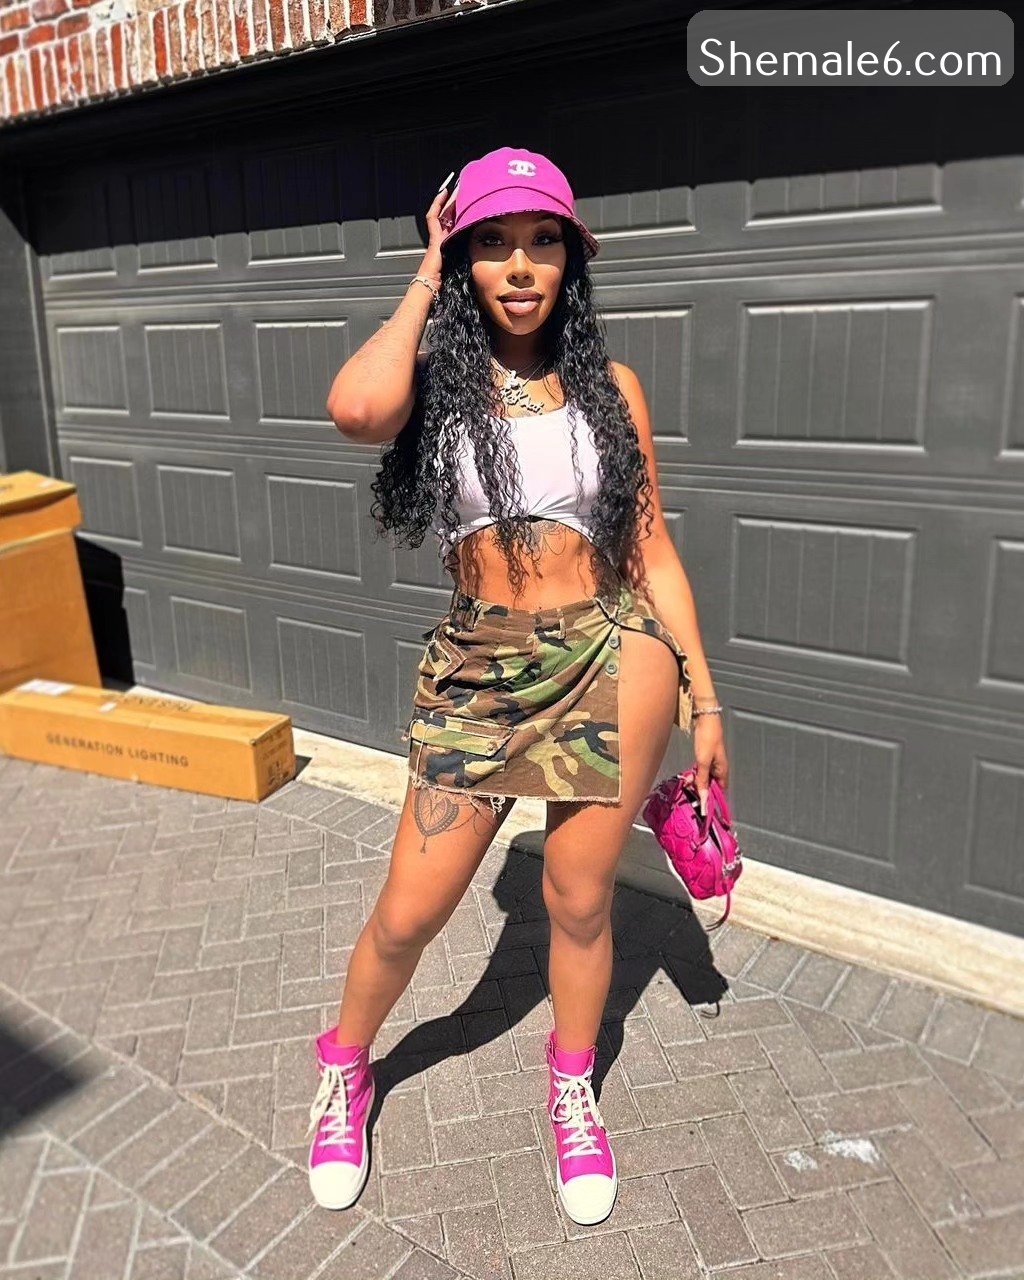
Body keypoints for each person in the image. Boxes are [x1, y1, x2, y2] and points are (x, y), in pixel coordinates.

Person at [314, 146, 728, 1226]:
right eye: (492, 243)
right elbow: (354, 408)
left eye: (542, 241)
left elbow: (652, 549)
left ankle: (571, 1085)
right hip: (479, 669)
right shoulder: (436, 388)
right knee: (409, 911)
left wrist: (705, 696)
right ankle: (346, 1069)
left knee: (580, 901)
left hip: (610, 653)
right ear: (464, 260)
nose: (520, 264)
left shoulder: (612, 391)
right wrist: (425, 270)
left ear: (570, 260)